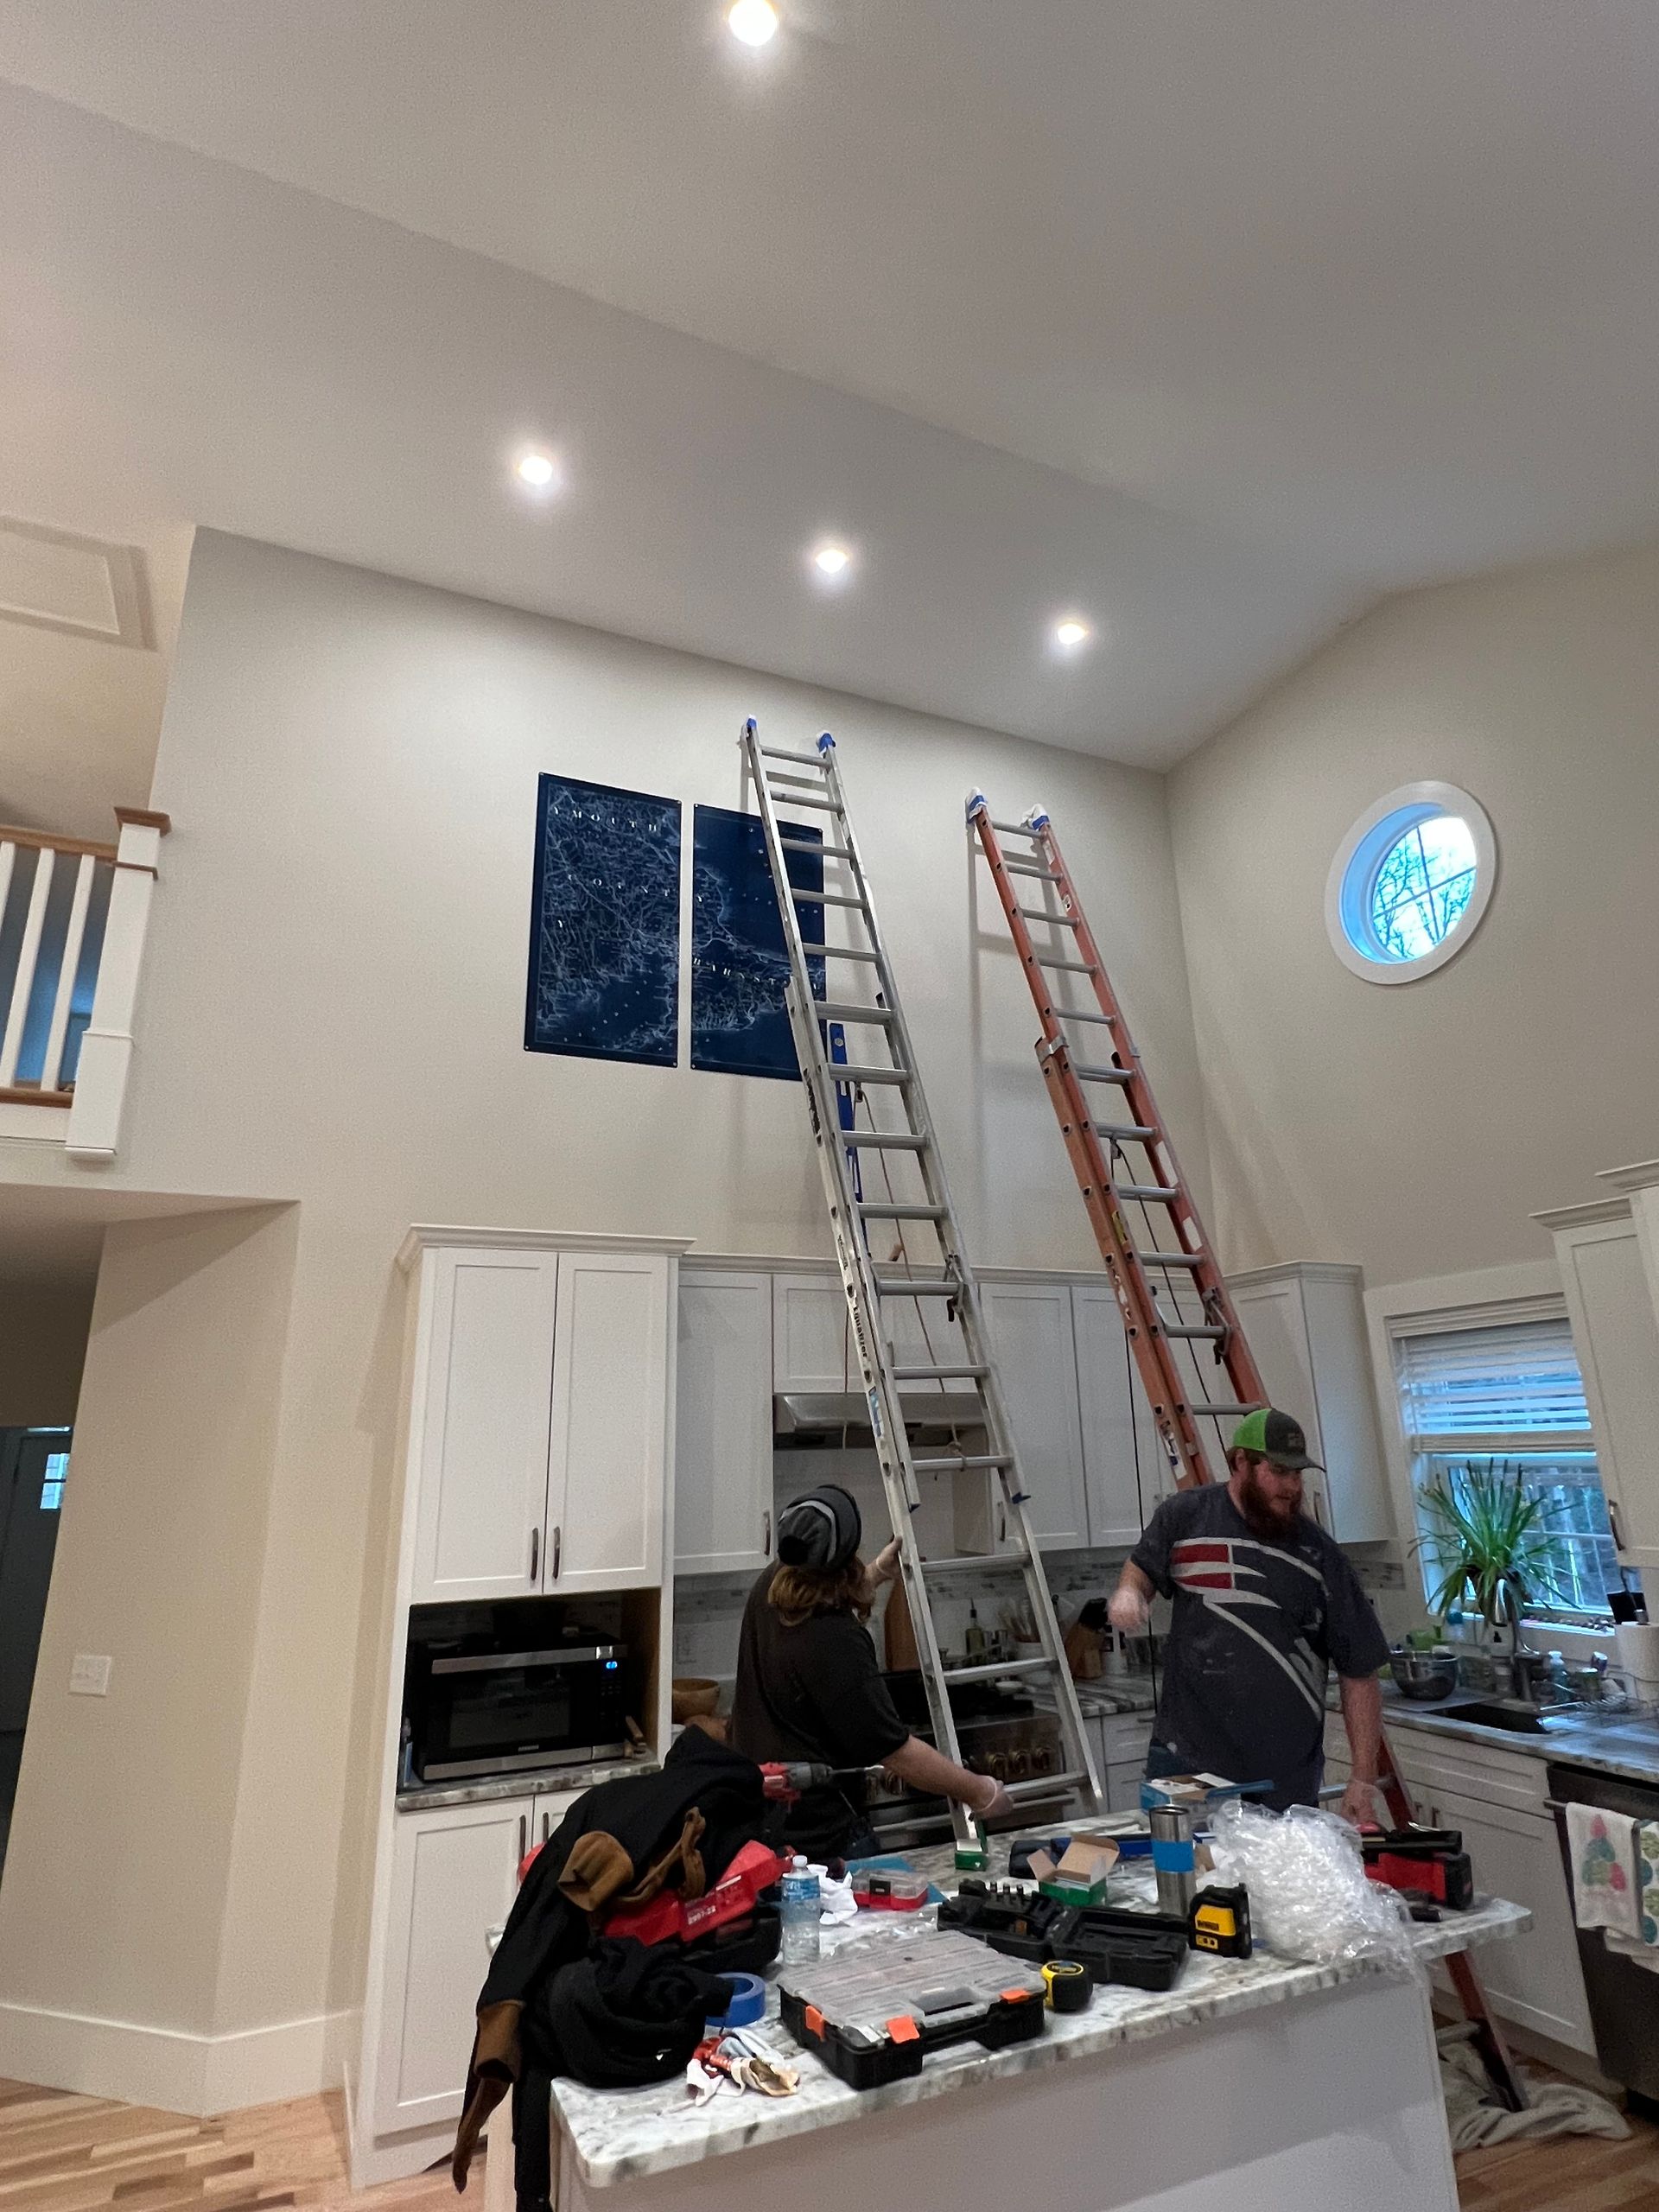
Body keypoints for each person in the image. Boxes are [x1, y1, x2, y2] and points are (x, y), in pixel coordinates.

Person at [1108, 1408, 1388, 1824]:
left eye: (1298, 1473)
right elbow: (1143, 1568)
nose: (1292, 1486)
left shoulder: (1320, 1557)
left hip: (1282, 1780)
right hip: (1185, 1763)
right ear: (1240, 1461)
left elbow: (1360, 1673)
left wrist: (1363, 1777)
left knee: (1273, 1888)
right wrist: (1130, 1592)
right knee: (1180, 1881)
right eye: (1279, 1471)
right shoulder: (1185, 1516)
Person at [730, 1482, 1014, 1858]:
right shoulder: (835, 1639)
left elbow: (818, 1588)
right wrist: (980, 1791)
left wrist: (879, 1570)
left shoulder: (772, 1583)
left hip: (765, 1825)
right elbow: (895, 1751)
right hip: (824, 1838)